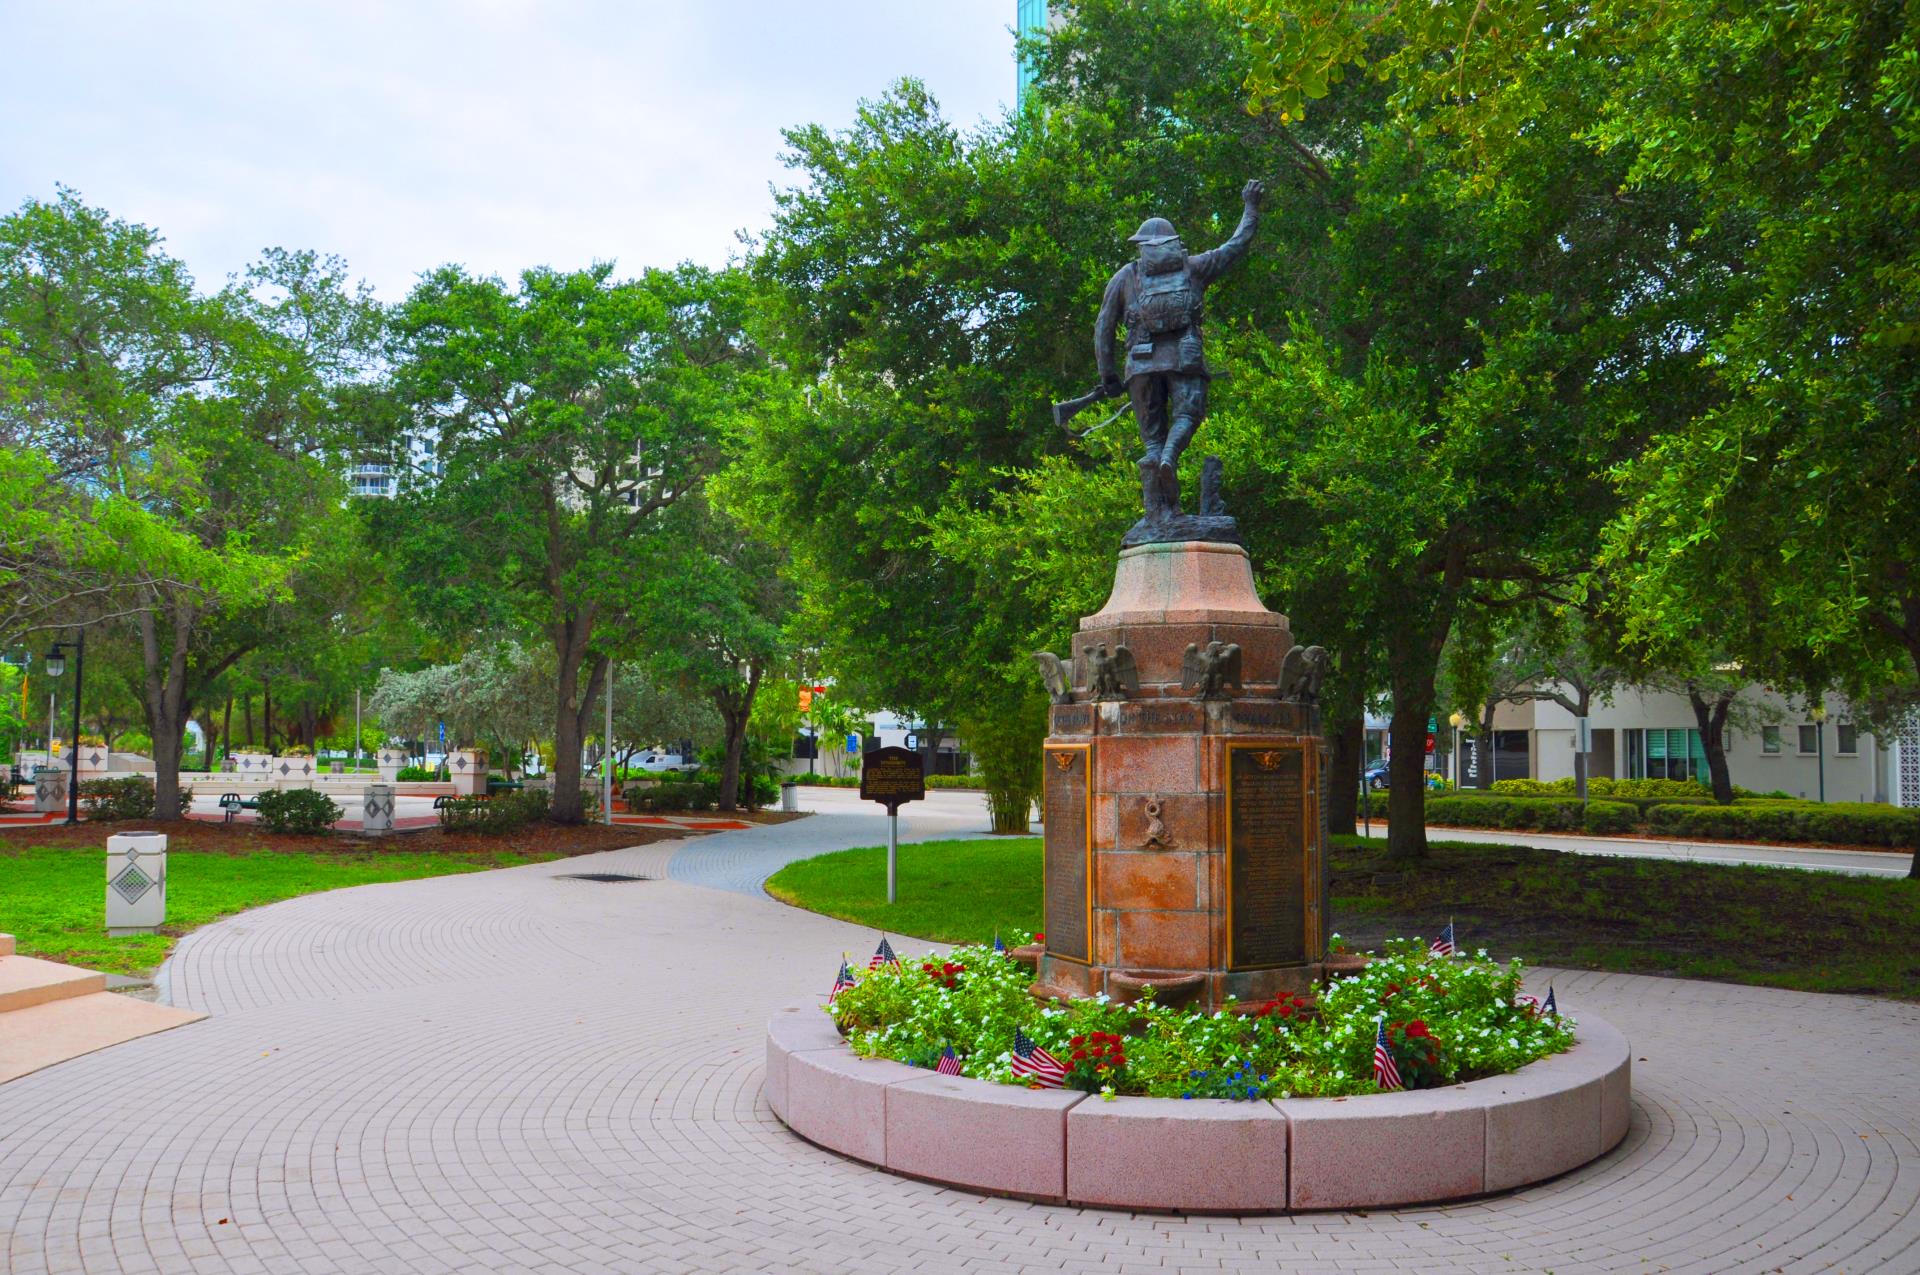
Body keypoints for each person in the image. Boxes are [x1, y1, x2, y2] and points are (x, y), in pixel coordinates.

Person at [1094, 178, 1265, 520]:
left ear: (1142, 245)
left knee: (1150, 440)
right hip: (1183, 359)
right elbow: (1236, 245)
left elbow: (1103, 327)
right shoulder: (1194, 267)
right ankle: (1171, 457)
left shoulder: (1126, 276)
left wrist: (1108, 374)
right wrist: (1250, 206)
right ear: (1173, 243)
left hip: (1140, 366)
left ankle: (1160, 506)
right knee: (1187, 415)